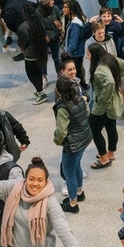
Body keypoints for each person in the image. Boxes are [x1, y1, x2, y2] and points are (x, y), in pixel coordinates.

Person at [53, 76, 93, 214]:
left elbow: (61, 131)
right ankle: (80, 192)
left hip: (73, 144)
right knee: (77, 166)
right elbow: (87, 112)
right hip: (85, 137)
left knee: (69, 173)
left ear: (58, 91)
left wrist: (57, 141)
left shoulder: (63, 108)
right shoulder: (80, 99)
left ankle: (73, 203)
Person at [88, 43, 124, 170]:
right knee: (111, 126)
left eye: (88, 54)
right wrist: (119, 79)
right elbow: (123, 65)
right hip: (114, 101)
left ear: (94, 55)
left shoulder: (99, 69)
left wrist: (102, 98)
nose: (87, 56)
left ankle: (104, 158)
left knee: (94, 129)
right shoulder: (110, 59)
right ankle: (111, 153)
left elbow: (109, 82)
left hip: (103, 105)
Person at [17, 5, 49, 105]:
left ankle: (41, 93)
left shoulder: (24, 26)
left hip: (30, 56)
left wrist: (22, 49)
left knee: (31, 74)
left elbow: (22, 42)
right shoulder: (39, 23)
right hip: (41, 54)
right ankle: (39, 89)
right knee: (38, 73)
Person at [63, 0, 90, 90]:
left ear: (72, 9)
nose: (64, 9)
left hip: (75, 53)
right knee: (78, 70)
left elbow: (73, 43)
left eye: (66, 7)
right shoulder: (73, 21)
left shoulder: (75, 24)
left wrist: (67, 53)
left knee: (76, 72)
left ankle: (81, 87)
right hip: (76, 53)